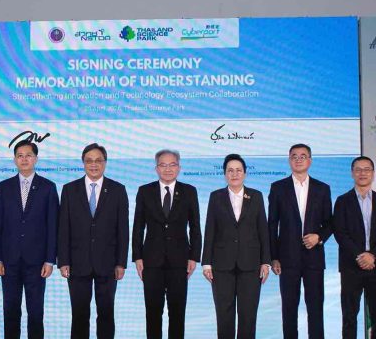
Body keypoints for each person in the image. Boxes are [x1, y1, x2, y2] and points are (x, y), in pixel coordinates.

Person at [58, 143, 129, 339]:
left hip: (108, 263)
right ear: (83, 163)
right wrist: (63, 261)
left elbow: (123, 230)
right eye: (89, 161)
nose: (94, 164)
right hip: (77, 263)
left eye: (98, 160)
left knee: (106, 314)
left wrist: (121, 263)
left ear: (105, 163)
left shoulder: (117, 190)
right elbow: (63, 228)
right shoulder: (69, 189)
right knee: (79, 315)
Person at [0, 140, 59, 339]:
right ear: (14, 160)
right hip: (8, 261)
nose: (24, 159)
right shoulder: (3, 187)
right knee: (10, 311)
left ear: (35, 159)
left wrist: (50, 260)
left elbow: (53, 226)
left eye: (28, 155)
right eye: (20, 156)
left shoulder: (48, 187)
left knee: (36, 313)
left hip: (37, 262)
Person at [132, 149, 202, 339]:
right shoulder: (145, 191)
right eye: (163, 165)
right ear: (156, 168)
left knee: (177, 313)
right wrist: (137, 256)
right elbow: (138, 226)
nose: (168, 169)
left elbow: (195, 227)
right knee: (153, 313)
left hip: (180, 260)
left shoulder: (189, 191)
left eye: (172, 165)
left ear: (179, 168)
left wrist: (194, 257)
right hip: (151, 261)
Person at [268, 143, 333, 339]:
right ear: (289, 161)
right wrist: (274, 257)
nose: (298, 159)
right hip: (287, 259)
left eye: (303, 156)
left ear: (310, 161)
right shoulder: (278, 188)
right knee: (289, 309)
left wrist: (319, 237)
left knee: (315, 308)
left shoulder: (322, 188)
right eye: (294, 156)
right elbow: (272, 224)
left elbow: (330, 223)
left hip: (314, 258)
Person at [202, 154, 270, 339]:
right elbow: (210, 230)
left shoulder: (256, 196)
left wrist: (266, 261)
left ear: (245, 173)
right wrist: (206, 263)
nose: (234, 174)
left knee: (248, 314)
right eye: (230, 170)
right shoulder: (216, 196)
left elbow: (263, 230)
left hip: (251, 264)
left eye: (238, 170)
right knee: (224, 314)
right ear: (224, 174)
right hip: (221, 265)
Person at [334, 156, 376, 339]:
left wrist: (372, 255)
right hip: (351, 266)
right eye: (358, 169)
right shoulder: (342, 201)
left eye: (367, 169)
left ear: (373, 173)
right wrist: (360, 256)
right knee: (349, 315)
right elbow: (340, 232)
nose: (362, 173)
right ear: (352, 173)